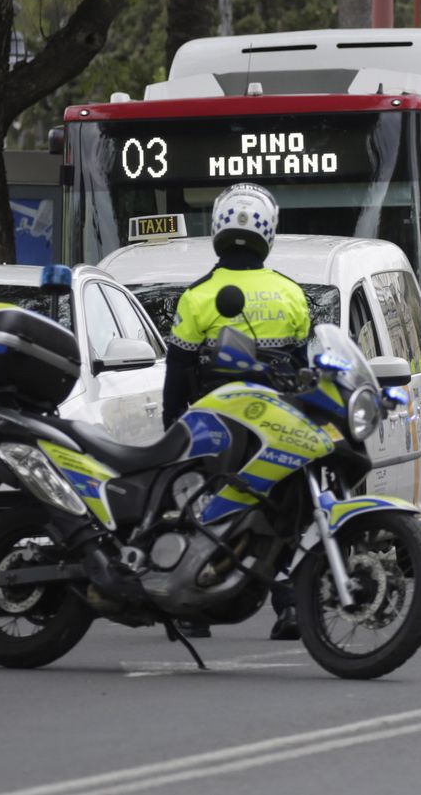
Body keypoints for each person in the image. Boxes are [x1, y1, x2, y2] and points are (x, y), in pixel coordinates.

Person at [163, 182, 312, 638]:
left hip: (216, 429)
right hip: (277, 427)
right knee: (288, 511)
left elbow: (177, 374)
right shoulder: (290, 293)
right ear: (270, 231)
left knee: (202, 509)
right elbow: (304, 371)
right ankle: (288, 605)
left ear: (218, 229)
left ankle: (193, 609)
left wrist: (174, 432)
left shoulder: (198, 295)